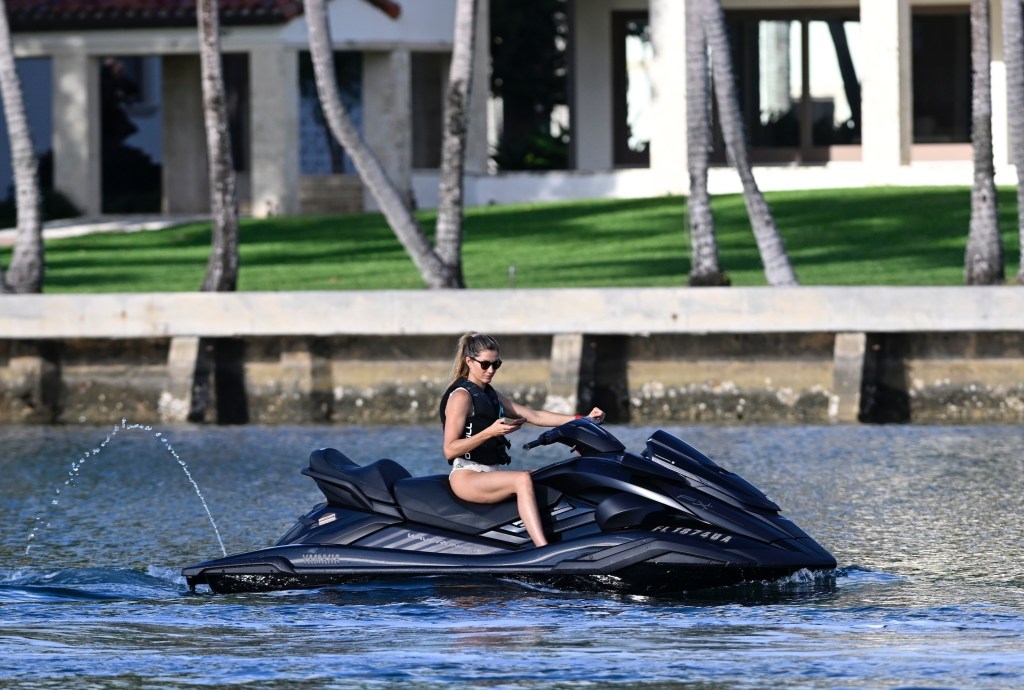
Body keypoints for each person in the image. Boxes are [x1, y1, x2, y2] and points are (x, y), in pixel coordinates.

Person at [439, 332, 605, 547]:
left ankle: (572, 535)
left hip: (490, 474)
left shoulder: (490, 394)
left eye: (496, 364)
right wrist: (489, 432)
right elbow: (450, 450)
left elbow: (535, 416)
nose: (491, 370)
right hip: (466, 476)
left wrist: (582, 419)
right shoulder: (461, 396)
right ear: (469, 361)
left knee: (549, 474)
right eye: (485, 364)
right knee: (521, 479)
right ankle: (542, 549)